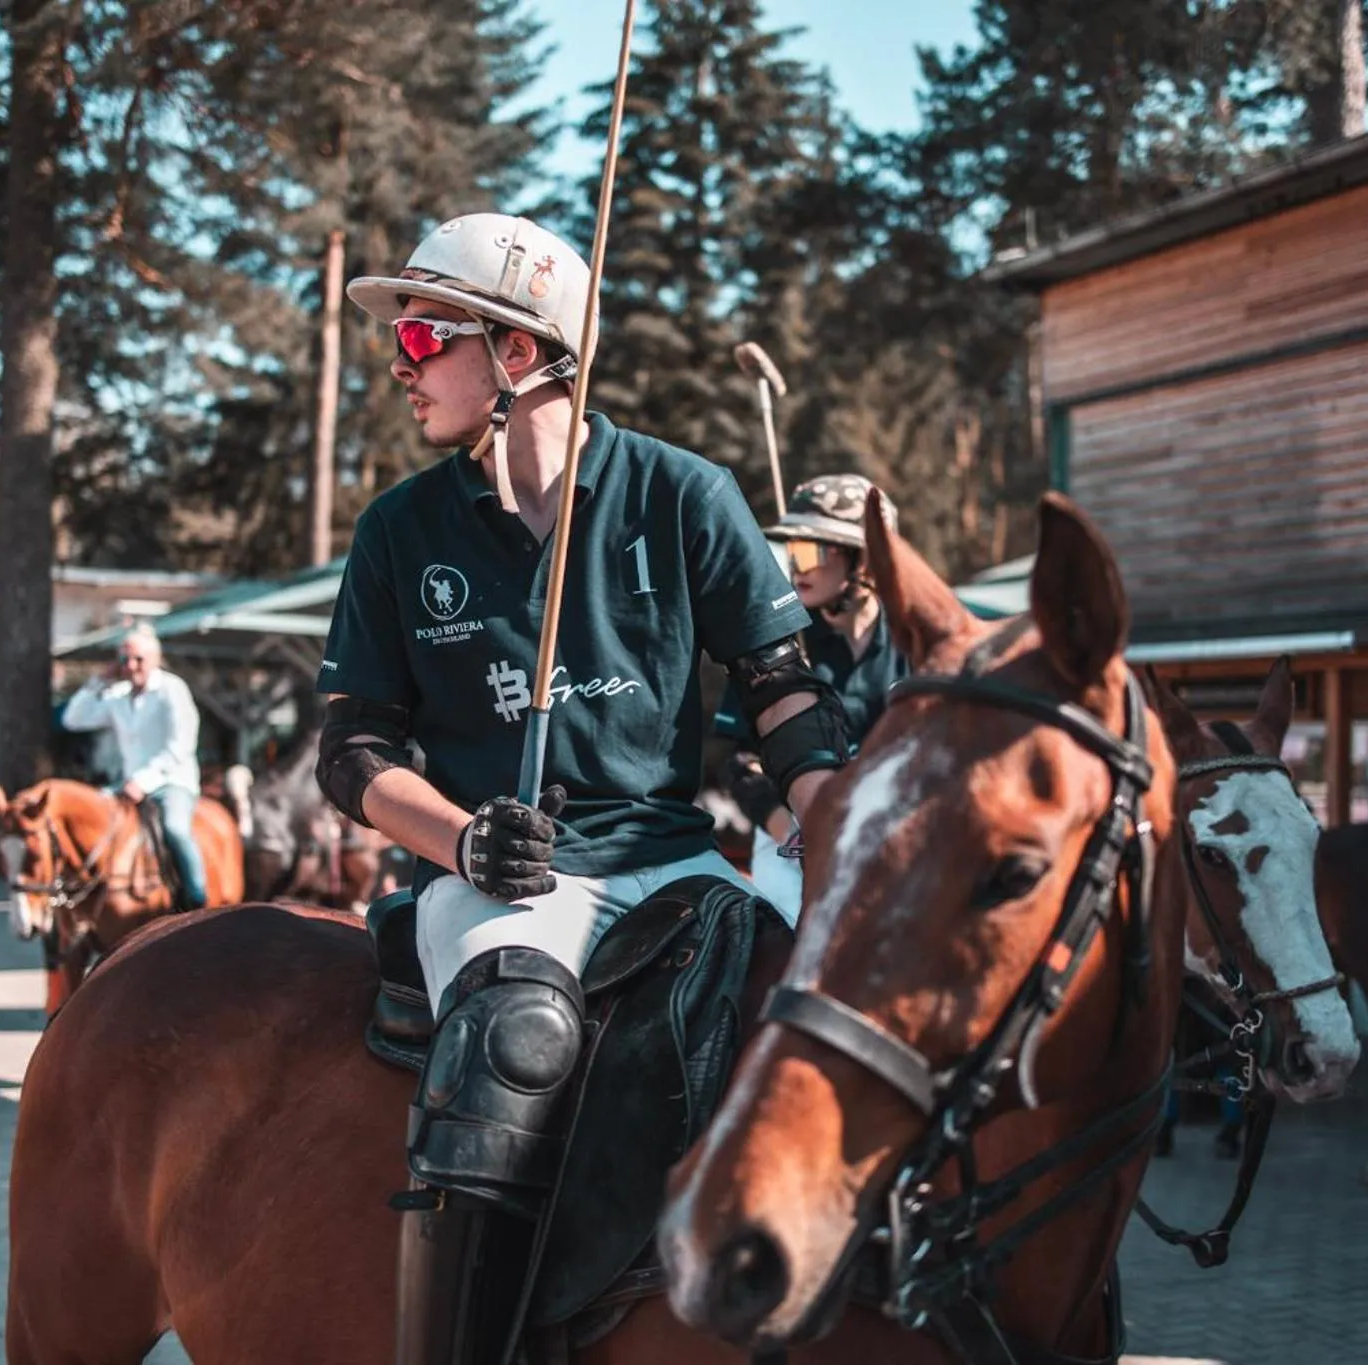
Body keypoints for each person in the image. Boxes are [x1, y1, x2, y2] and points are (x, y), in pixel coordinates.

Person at [318, 212, 848, 1360]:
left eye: (421, 338)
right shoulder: (399, 532)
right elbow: (353, 753)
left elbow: (782, 691)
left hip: (673, 863)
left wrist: (835, 825)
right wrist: (462, 842)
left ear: (515, 354)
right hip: (503, 882)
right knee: (516, 1035)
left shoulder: (682, 493)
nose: (400, 365)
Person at [716, 473, 911, 921]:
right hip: (793, 837)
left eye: (812, 551)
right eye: (791, 551)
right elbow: (741, 766)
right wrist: (795, 833)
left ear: (866, 562)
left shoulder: (917, 647)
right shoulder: (777, 648)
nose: (797, 567)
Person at [60, 628, 208, 910]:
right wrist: (97, 681)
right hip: (128, 784)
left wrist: (143, 781)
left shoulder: (172, 689)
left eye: (138, 659)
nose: (131, 666)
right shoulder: (117, 695)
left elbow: (181, 746)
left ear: (155, 659)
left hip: (171, 782)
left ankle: (196, 896)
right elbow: (72, 719)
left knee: (175, 828)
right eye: (125, 659)